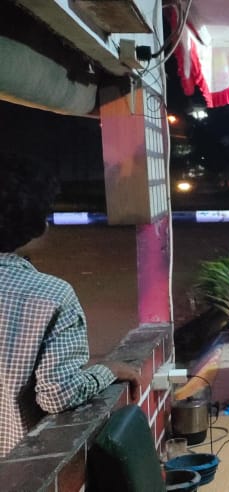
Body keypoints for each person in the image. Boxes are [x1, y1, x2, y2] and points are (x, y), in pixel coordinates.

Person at [0, 154, 143, 458]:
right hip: (19, 468)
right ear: (38, 225)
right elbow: (57, 394)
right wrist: (106, 370)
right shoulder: (51, 295)